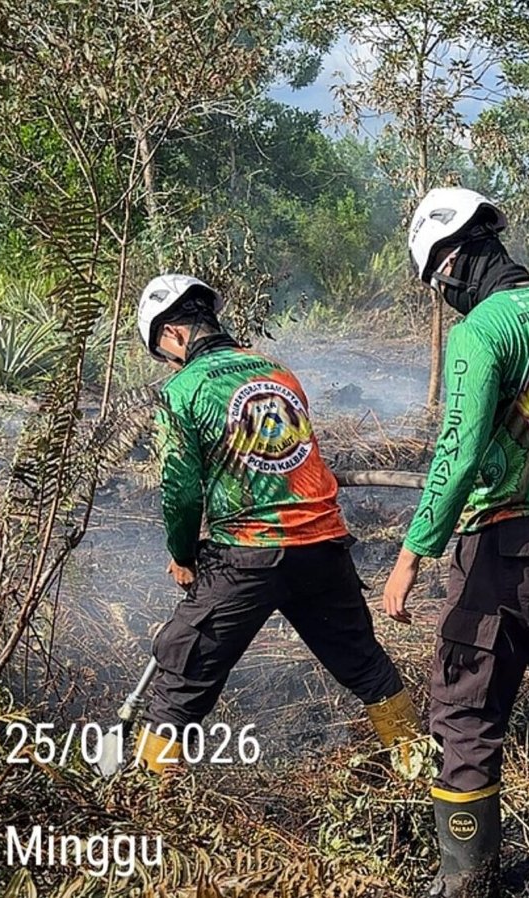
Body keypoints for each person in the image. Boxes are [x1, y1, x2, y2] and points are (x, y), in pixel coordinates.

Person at [381, 187, 529, 896]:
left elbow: (456, 456)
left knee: (464, 709)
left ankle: (467, 882)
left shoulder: (481, 333)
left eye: (436, 282)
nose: (443, 296)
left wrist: (410, 557)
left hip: (504, 550)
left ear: (451, 262)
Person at [136, 274, 419, 775]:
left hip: (248, 554)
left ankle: (149, 796)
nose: (169, 363)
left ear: (173, 333)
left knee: (181, 680)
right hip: (324, 548)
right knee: (366, 666)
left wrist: (182, 555)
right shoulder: (278, 372)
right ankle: (417, 765)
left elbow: (180, 489)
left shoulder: (182, 390)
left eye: (164, 352)